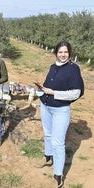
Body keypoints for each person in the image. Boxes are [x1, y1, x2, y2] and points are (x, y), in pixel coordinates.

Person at [38, 41, 84, 187]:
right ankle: (47, 157)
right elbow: (49, 85)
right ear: (56, 53)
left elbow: (76, 92)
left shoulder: (73, 69)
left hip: (60, 110)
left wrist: (54, 93)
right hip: (45, 106)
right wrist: (41, 89)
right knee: (47, 134)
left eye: (65, 52)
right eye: (60, 52)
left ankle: (58, 175)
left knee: (58, 143)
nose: (63, 55)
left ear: (69, 53)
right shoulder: (53, 67)